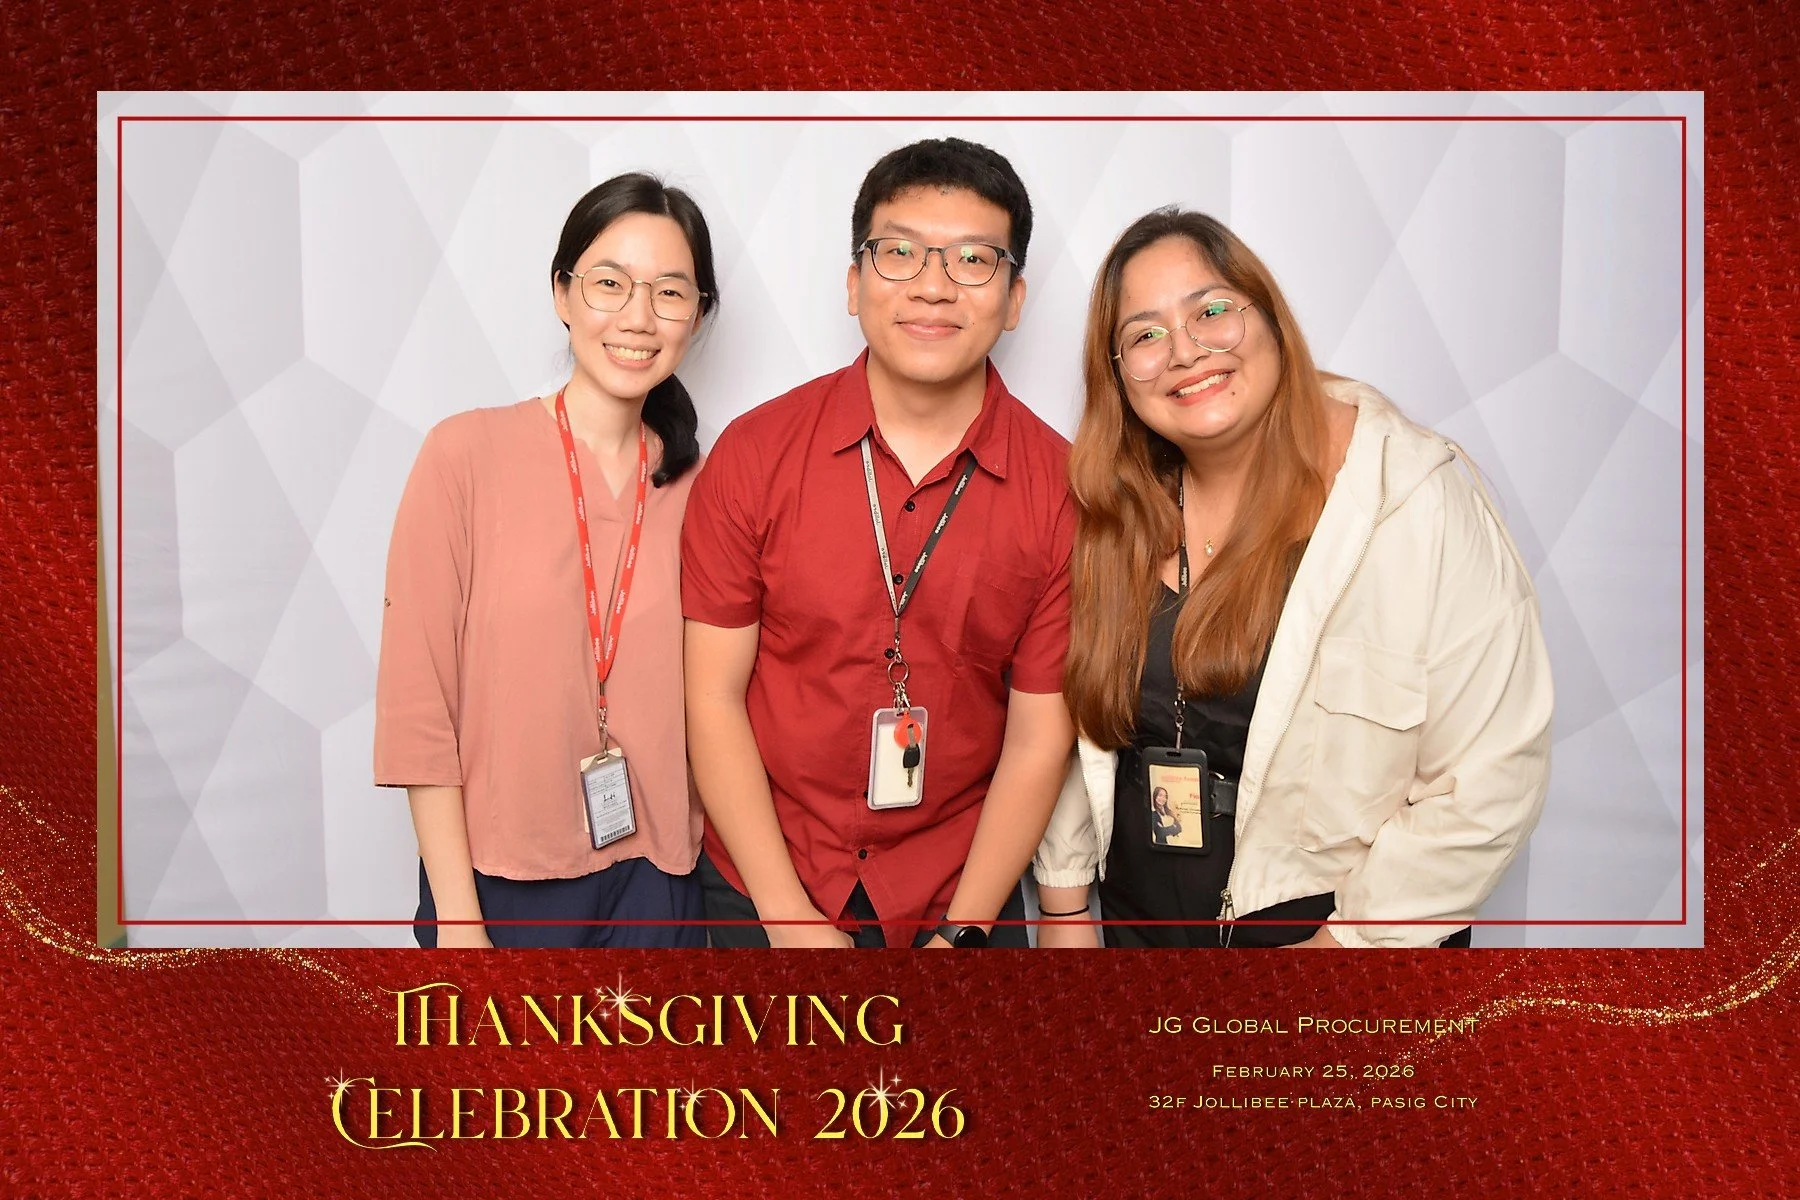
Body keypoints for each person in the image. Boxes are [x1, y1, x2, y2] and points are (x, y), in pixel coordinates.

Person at [1033, 208, 1553, 949]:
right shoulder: (1118, 504)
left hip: (1332, 940)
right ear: (1117, 376)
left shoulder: (1410, 496)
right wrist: (1062, 907)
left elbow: (1491, 776)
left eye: (1212, 311)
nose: (1185, 351)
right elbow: (1072, 716)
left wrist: (1343, 949)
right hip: (1136, 927)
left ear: (1270, 317)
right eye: (1144, 335)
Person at [682, 137, 1076, 949]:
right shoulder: (755, 455)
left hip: (959, 886)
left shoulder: (1062, 490)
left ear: (1014, 298)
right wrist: (787, 919)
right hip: (768, 876)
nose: (933, 285)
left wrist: (964, 933)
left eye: (973, 259)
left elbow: (1040, 738)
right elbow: (712, 697)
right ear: (854, 283)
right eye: (899, 253)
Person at [374, 173, 719, 948]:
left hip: (660, 880)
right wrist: (459, 919)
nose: (639, 317)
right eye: (609, 284)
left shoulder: (708, 486)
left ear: (697, 315)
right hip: (498, 881)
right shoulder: (466, 454)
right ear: (562, 294)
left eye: (670, 293)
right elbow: (417, 702)